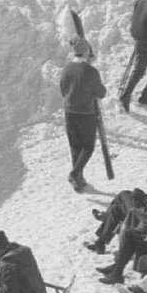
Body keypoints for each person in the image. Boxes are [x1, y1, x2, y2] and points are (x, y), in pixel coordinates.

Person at [58, 35, 108, 190]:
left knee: (75, 147)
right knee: (88, 146)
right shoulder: (90, 71)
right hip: (86, 113)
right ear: (86, 51)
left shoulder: (66, 69)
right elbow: (101, 93)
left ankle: (78, 181)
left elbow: (63, 89)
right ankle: (75, 173)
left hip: (69, 112)